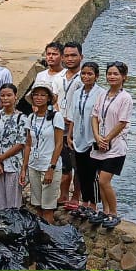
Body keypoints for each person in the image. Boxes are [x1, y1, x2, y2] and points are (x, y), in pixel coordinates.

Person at [91, 61, 133, 230]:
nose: (112, 77)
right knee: (99, 179)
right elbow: (94, 116)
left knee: (104, 181)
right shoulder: (102, 95)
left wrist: (107, 138)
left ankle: (114, 212)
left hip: (115, 146)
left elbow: (122, 122)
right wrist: (97, 136)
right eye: (110, 73)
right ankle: (105, 210)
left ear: (124, 77)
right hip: (100, 144)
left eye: (116, 74)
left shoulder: (125, 98)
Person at [22, 81, 62, 223]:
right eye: (36, 95)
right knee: (37, 205)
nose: (39, 98)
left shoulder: (56, 117)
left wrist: (51, 168)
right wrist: (24, 168)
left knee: (48, 208)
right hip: (34, 165)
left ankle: (49, 237)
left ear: (49, 98)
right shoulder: (31, 118)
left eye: (43, 95)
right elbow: (28, 143)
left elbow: (59, 144)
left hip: (48, 165)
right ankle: (40, 236)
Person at [68, 60, 103, 218]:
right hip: (78, 137)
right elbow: (73, 117)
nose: (86, 76)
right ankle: (84, 202)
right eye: (83, 73)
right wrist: (69, 134)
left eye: (90, 74)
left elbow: (102, 118)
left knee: (92, 172)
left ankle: (94, 205)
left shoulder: (101, 94)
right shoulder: (77, 93)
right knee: (81, 171)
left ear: (96, 76)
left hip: (93, 138)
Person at [0, 83, 27, 211]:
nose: (5, 98)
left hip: (14, 163)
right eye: (3, 96)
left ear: (15, 97)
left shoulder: (22, 118)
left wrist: (1, 158)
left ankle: (13, 226)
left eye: (9, 95)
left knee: (13, 201)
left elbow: (21, 143)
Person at [57, 42, 84, 208]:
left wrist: (73, 119)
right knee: (64, 164)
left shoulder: (85, 76)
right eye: (66, 55)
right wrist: (59, 115)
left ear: (81, 57)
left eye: (73, 55)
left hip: (78, 129)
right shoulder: (59, 77)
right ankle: (63, 194)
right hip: (60, 127)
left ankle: (76, 196)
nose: (70, 59)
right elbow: (53, 99)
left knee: (78, 165)